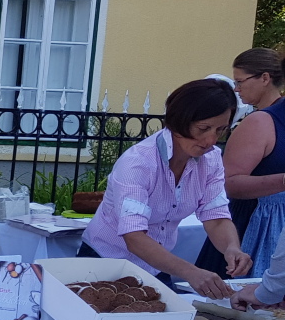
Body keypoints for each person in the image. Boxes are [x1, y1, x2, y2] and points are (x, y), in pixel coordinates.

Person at [78, 78, 253, 299]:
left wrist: (232, 248)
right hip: (103, 263)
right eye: (203, 128)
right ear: (179, 121)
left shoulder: (211, 160)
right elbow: (134, 237)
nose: (211, 140)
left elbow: (216, 217)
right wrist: (191, 272)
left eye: (220, 130)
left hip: (155, 266)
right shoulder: (138, 162)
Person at [194, 48, 285, 278]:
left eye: (240, 81)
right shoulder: (260, 122)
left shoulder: (264, 120)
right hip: (254, 225)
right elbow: (229, 183)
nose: (236, 89)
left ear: (265, 78)